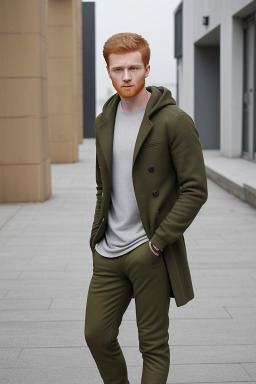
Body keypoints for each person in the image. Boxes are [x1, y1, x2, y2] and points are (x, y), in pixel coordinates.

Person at [84, 32, 208, 384]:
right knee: (96, 334)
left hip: (149, 252)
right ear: (108, 71)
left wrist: (158, 241)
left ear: (147, 69)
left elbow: (195, 189)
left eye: (134, 68)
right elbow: (102, 185)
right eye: (118, 69)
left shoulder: (173, 121)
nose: (126, 76)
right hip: (108, 253)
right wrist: (97, 236)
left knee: (152, 345)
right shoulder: (103, 120)